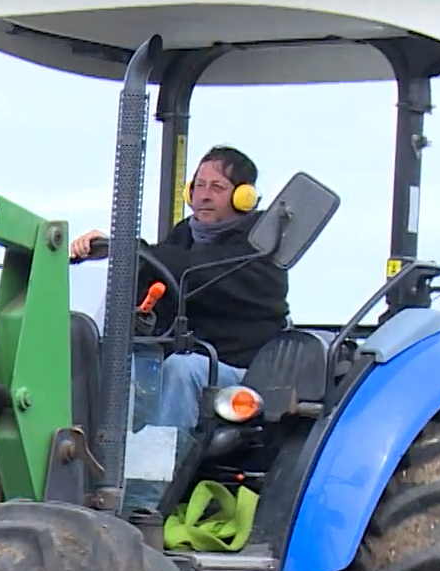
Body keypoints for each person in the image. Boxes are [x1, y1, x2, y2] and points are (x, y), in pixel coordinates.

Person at [70, 145, 290, 433]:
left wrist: (130, 249)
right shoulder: (184, 236)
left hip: (241, 369)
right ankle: (92, 453)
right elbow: (159, 272)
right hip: (182, 355)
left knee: (183, 370)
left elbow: (199, 270)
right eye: (199, 186)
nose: (204, 195)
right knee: (112, 360)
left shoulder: (258, 249)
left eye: (217, 187)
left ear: (243, 197)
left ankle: (160, 471)